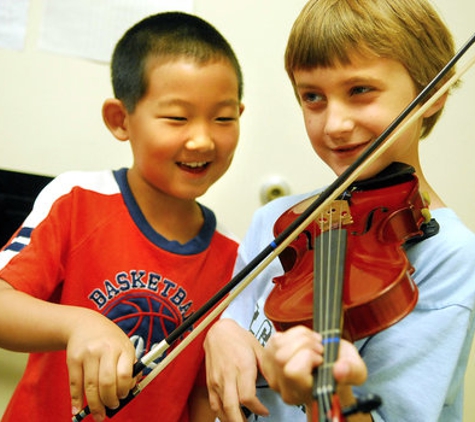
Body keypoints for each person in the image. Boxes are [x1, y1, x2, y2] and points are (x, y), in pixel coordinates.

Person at [203, 0, 475, 421]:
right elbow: (235, 327)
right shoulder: (279, 222)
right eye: (313, 97)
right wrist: (220, 331)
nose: (334, 124)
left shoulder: (452, 258)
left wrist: (318, 395)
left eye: (360, 91)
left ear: (433, 93)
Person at [0, 11, 244, 422]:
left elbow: (202, 391)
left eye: (223, 118)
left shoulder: (234, 258)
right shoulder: (76, 199)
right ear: (120, 119)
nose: (203, 138)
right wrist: (77, 324)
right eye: (177, 117)